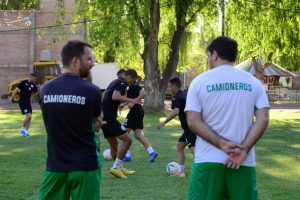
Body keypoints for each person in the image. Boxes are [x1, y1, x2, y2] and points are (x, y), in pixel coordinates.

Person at [185, 36, 270, 200]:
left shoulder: (199, 82)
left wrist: (222, 144)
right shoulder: (253, 83)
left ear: (215, 55)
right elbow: (263, 119)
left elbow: (193, 121)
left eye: (209, 55)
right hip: (243, 161)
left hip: (207, 160)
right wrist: (244, 148)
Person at [38, 40, 105, 200]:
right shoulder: (93, 91)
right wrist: (97, 124)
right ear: (76, 61)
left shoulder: (45, 90)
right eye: (89, 59)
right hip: (85, 167)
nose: (92, 63)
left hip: (55, 165)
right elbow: (97, 120)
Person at [101, 69, 142, 179]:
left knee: (114, 144)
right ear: (129, 77)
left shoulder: (115, 81)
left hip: (104, 116)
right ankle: (115, 167)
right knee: (128, 140)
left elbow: (105, 94)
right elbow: (115, 96)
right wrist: (132, 100)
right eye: (132, 81)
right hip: (109, 118)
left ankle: (119, 167)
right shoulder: (122, 83)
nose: (132, 83)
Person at [157, 77, 196, 177]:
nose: (169, 88)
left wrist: (164, 122)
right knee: (180, 145)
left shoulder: (176, 97)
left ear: (174, 86)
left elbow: (176, 111)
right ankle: (181, 171)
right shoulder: (184, 94)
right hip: (191, 125)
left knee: (193, 150)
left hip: (190, 127)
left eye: (170, 86)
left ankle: (204, 170)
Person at [122, 69, 158, 162]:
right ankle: (152, 152)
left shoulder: (135, 85)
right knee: (138, 135)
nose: (127, 79)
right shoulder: (128, 86)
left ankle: (127, 156)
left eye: (129, 77)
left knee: (123, 133)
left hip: (135, 111)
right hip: (138, 111)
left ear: (133, 78)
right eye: (126, 76)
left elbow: (143, 93)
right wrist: (124, 104)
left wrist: (134, 101)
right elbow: (132, 99)